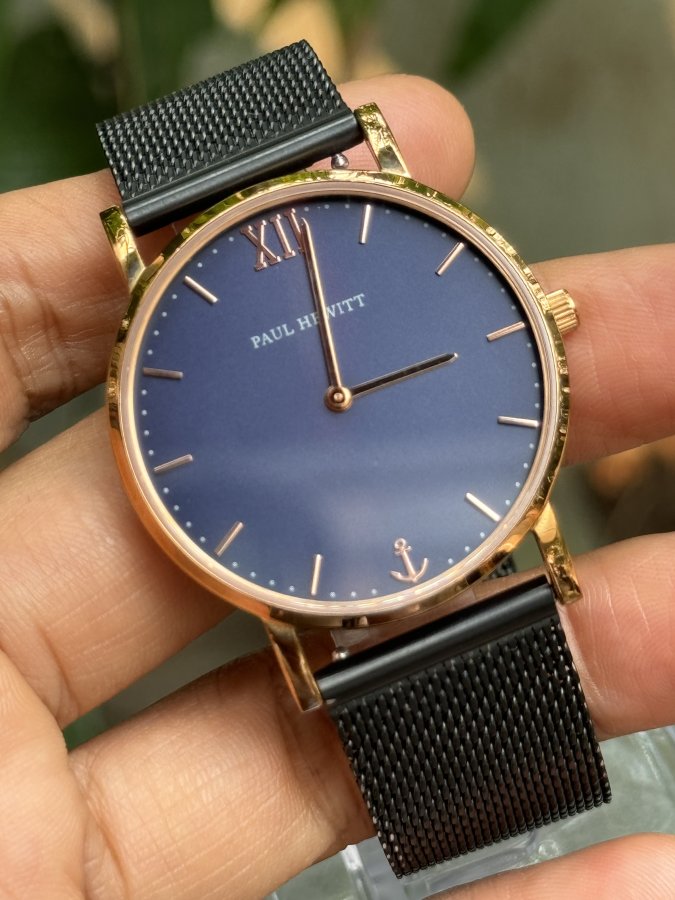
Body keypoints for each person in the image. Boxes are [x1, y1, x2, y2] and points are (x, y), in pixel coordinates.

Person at [0, 72, 673, 899]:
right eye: (336, 394)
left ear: (545, 312)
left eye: (344, 392)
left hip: (445, 562)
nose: (340, 395)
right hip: (351, 604)